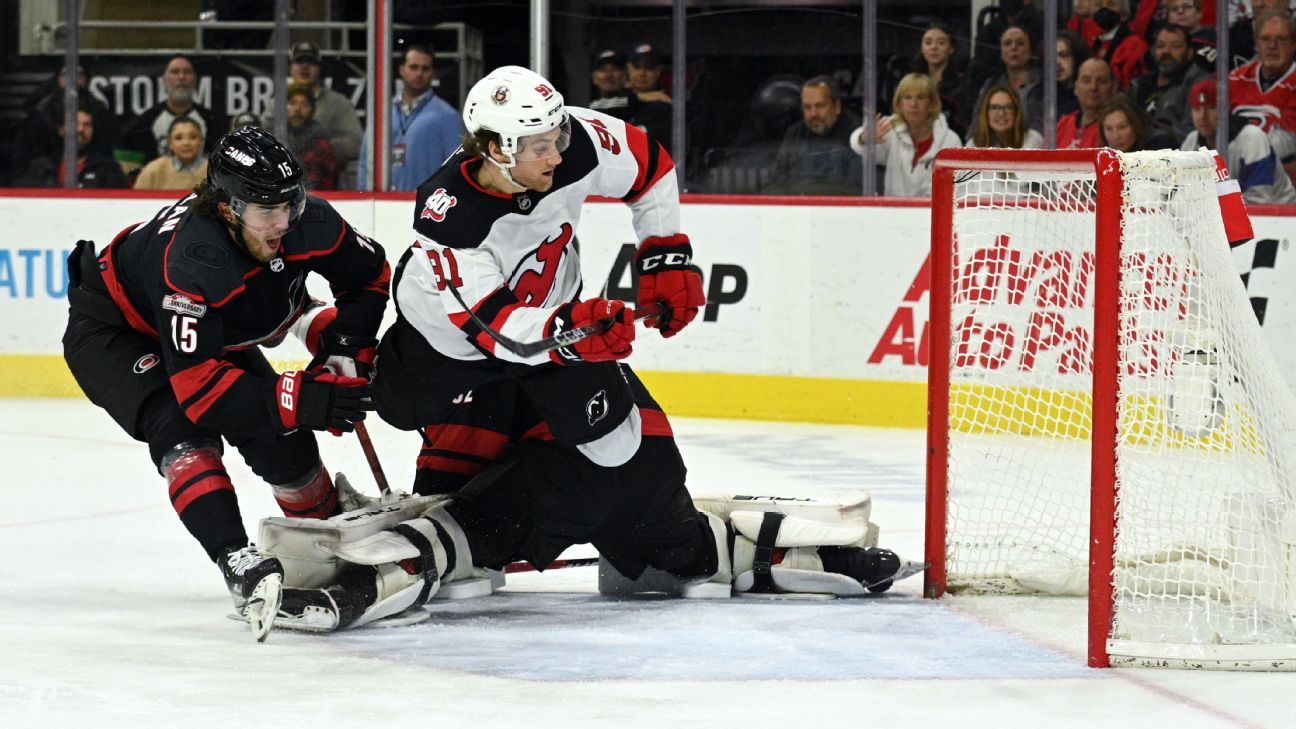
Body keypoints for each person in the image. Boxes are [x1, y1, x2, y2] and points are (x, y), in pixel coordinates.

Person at [253, 66, 908, 634]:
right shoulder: (451, 218)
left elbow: (648, 163)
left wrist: (664, 250)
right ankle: (448, 518)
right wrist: (573, 330)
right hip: (451, 364)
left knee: (628, 452)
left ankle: (670, 546)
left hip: (542, 345)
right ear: (494, 149)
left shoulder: (571, 143)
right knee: (435, 436)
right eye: (538, 143)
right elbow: (498, 329)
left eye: (557, 134)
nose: (556, 151)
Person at [61, 126, 390, 640]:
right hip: (117, 333)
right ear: (226, 207)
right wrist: (302, 397)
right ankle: (237, 561)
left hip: (208, 333)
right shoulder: (194, 260)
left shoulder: (306, 219)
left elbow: (369, 275)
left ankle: (326, 539)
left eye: (290, 204)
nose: (283, 223)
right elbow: (200, 392)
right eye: (266, 211)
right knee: (182, 431)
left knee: (285, 444)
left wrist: (346, 352)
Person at [358, 44, 461, 191]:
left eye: (425, 68)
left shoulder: (447, 116)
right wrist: (364, 197)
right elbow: (365, 161)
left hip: (427, 207)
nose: (419, 74)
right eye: (413, 67)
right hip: (383, 205)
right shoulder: (383, 112)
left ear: (433, 73)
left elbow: (456, 169)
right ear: (402, 70)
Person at [263, 42, 363, 188]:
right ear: (290, 67)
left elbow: (355, 143)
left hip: (325, 185)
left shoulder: (339, 103)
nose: (305, 67)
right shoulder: (276, 104)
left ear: (319, 68)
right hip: (281, 184)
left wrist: (320, 148)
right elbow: (263, 141)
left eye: (311, 62)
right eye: (299, 62)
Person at [1182, 78, 1296, 204]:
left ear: (1225, 110)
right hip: (1227, 214)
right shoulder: (1191, 142)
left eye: (1211, 108)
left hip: (1281, 215)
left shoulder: (1252, 138)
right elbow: (1182, 193)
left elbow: (1260, 199)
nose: (1203, 117)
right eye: (1197, 109)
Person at [850, 72, 961, 197]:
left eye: (920, 98)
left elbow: (954, 188)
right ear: (899, 103)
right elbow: (859, 146)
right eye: (907, 97)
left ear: (932, 104)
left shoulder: (950, 141)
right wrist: (864, 138)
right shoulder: (890, 128)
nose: (913, 104)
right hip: (894, 212)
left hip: (933, 213)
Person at [123, 55, 226, 166]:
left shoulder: (212, 122)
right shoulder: (145, 122)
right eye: (174, 72)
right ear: (164, 79)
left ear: (195, 79)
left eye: (187, 72)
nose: (181, 77)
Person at [766, 76, 862, 195]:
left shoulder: (858, 135)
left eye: (820, 106)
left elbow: (856, 187)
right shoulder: (795, 133)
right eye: (807, 107)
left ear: (837, 106)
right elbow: (775, 182)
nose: (813, 114)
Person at [1229, 12, 1296, 176]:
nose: (1272, 45)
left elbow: (1286, 146)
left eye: (1281, 39)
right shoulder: (1235, 80)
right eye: (1265, 39)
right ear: (1256, 44)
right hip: (1234, 170)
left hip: (1280, 178)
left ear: (1293, 44)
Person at [1124, 23, 1207, 142]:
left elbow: (1192, 135)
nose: (1166, 52)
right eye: (1161, 46)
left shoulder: (1197, 84)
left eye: (1175, 46)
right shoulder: (1138, 86)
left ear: (1190, 52)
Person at [19, 103, 127, 189]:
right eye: (75, 123)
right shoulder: (41, 168)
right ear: (61, 130)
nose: (80, 129)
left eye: (87, 125)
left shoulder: (108, 169)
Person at [965, 25, 1045, 140]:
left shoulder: (1043, 84)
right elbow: (977, 127)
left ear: (1030, 50)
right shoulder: (991, 85)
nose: (1014, 48)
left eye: (1020, 43)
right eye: (1007, 43)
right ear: (1001, 52)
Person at [911, 24, 968, 138]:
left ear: (951, 49)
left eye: (941, 43)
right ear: (922, 48)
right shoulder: (912, 82)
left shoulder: (962, 83)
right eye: (928, 42)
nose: (934, 47)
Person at [283, 82, 339, 191]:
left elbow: (325, 185)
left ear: (311, 110)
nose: (297, 109)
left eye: (304, 104)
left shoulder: (321, 144)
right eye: (292, 103)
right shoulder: (276, 138)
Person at [134, 117, 208, 190]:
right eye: (178, 138)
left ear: (201, 141)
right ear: (170, 143)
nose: (186, 143)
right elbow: (136, 200)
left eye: (193, 137)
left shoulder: (214, 170)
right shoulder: (154, 170)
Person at [1057, 58, 1117, 148]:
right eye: (1086, 80)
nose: (1093, 87)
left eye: (1102, 81)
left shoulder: (1116, 128)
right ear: (1076, 87)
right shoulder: (1063, 124)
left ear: (1114, 88)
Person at [625, 43, 674, 150]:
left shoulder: (663, 106)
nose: (642, 74)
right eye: (637, 67)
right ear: (629, 69)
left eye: (649, 68)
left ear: (658, 71)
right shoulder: (616, 98)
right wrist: (638, 97)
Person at [1091, 0, 1148, 89]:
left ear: (1124, 15)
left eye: (1111, 4)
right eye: (1099, 4)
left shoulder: (1134, 44)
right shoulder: (1093, 40)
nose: (1104, 8)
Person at [966, 86, 1044, 148]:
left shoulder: (1033, 139)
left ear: (1017, 112)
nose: (1001, 113)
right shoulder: (974, 144)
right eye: (994, 108)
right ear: (986, 113)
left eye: (1008, 107)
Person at [1097, 95, 1173, 152]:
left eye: (1122, 127)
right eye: (1109, 129)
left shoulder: (1159, 144)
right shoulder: (1105, 155)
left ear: (1135, 125)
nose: (1116, 136)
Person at [1056, 28, 1094, 120]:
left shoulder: (1091, 95)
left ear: (1077, 57)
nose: (1056, 62)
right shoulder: (1039, 96)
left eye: (1064, 55)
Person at [589, 49, 634, 121]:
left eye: (614, 69)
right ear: (594, 78)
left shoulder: (635, 103)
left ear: (625, 75)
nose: (608, 75)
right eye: (603, 70)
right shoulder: (588, 109)